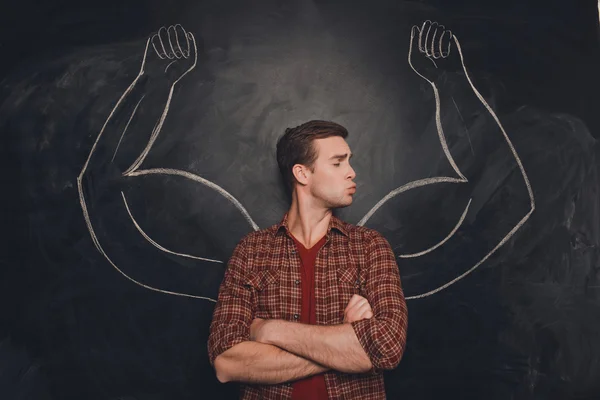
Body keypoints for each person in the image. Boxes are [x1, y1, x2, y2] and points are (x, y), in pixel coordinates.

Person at [207, 120, 408, 399]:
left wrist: (268, 329)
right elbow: (226, 363)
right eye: (338, 163)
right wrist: (345, 340)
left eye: (349, 162)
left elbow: (386, 349)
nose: (351, 172)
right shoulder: (251, 251)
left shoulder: (370, 247)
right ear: (302, 173)